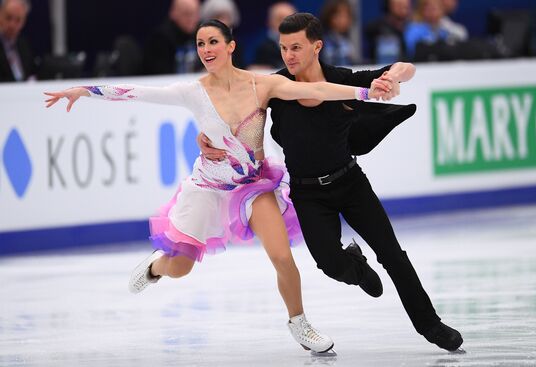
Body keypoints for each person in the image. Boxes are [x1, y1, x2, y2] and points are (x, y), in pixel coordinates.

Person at [44, 19, 391, 354]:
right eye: (200, 44)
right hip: (208, 188)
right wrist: (85, 91)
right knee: (179, 268)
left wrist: (363, 91)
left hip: (254, 186)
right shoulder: (192, 92)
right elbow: (137, 93)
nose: (206, 50)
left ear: (230, 46)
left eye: (213, 42)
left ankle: (299, 323)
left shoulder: (261, 85)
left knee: (282, 256)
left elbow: (314, 89)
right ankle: (155, 267)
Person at [199, 12, 464, 352]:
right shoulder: (276, 88)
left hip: (351, 184)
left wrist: (393, 79)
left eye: (296, 47)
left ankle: (431, 325)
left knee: (393, 255)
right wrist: (205, 138)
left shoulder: (342, 80)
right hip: (309, 194)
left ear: (317, 46)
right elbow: (229, 110)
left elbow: (404, 68)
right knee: (330, 265)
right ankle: (355, 266)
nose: (288, 56)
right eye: (283, 48)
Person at [142, 0, 203, 75]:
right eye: (186, 14)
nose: (191, 19)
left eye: (195, 14)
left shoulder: (201, 34)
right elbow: (160, 76)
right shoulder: (160, 39)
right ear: (173, 13)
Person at [250, 1, 296, 70]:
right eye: (280, 19)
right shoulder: (262, 48)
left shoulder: (304, 46)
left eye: (291, 20)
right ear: (269, 21)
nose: (286, 24)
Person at [201, 0, 245, 68]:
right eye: (217, 17)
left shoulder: (236, 45)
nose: (221, 21)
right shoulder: (201, 44)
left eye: (225, 17)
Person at [364, 0, 411, 64]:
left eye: (405, 6)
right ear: (388, 5)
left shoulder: (415, 27)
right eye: (399, 4)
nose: (403, 7)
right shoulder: (377, 28)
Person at [0, 0, 35, 82]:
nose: (12, 25)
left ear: (24, 21)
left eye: (18, 20)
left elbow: (31, 73)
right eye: (8, 17)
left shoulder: (24, 45)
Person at [319, 0, 360, 66]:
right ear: (330, 16)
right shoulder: (322, 42)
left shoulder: (347, 43)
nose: (344, 20)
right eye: (339, 15)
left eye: (346, 16)